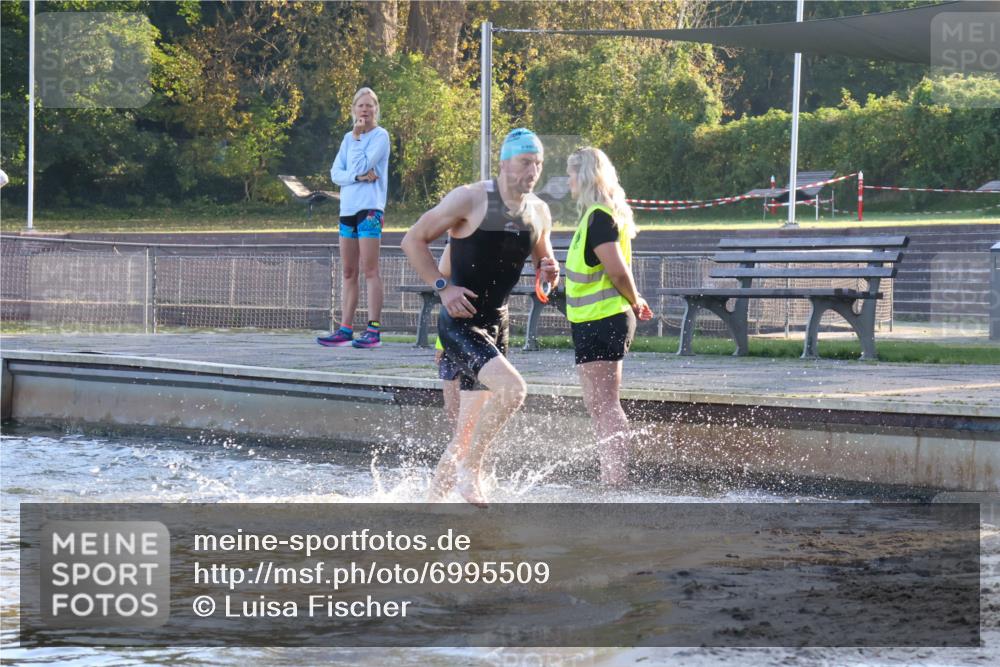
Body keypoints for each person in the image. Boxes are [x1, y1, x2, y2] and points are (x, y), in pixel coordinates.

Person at [402, 128, 558, 506]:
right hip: (460, 321)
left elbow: (543, 261)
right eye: (524, 162)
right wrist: (443, 287)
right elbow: (412, 239)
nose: (532, 171)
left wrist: (548, 272)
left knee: (466, 430)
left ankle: (429, 509)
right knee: (514, 390)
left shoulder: (538, 210)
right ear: (504, 163)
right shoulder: (470, 198)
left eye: (537, 163)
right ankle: (470, 471)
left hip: (497, 323)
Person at [564, 147, 653, 487]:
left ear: (584, 176)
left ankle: (616, 478)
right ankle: (609, 475)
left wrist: (635, 299)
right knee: (596, 404)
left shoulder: (600, 217)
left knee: (606, 402)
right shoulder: (592, 217)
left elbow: (616, 271)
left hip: (605, 319)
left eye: (571, 174)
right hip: (590, 320)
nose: (568, 181)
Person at [319, 87, 390, 349]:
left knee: (369, 269)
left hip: (369, 208)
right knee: (348, 271)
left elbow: (361, 164)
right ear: (353, 109)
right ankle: (345, 328)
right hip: (347, 209)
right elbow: (336, 173)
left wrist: (359, 141)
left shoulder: (380, 136)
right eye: (360, 106)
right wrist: (357, 177)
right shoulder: (348, 138)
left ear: (375, 109)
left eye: (369, 106)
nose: (365, 110)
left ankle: (373, 329)